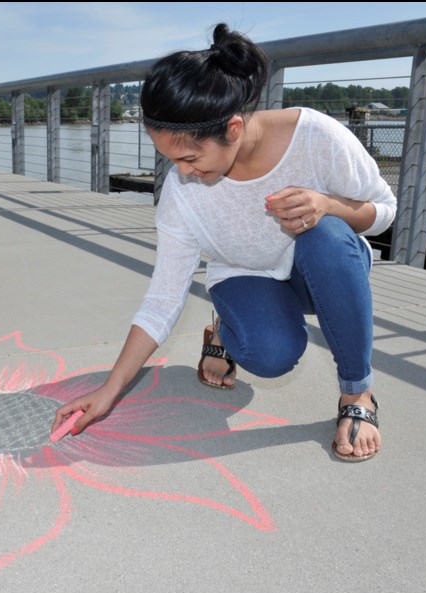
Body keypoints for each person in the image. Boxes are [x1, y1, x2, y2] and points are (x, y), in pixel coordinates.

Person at [52, 25, 397, 463]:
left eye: (190, 158)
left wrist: (328, 204)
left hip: (323, 270)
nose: (182, 172)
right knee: (270, 356)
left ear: (233, 128)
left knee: (327, 235)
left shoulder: (316, 137)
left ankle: (358, 393)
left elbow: (384, 211)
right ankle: (224, 326)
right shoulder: (181, 192)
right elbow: (163, 299)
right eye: (171, 160)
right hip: (246, 274)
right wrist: (107, 392)